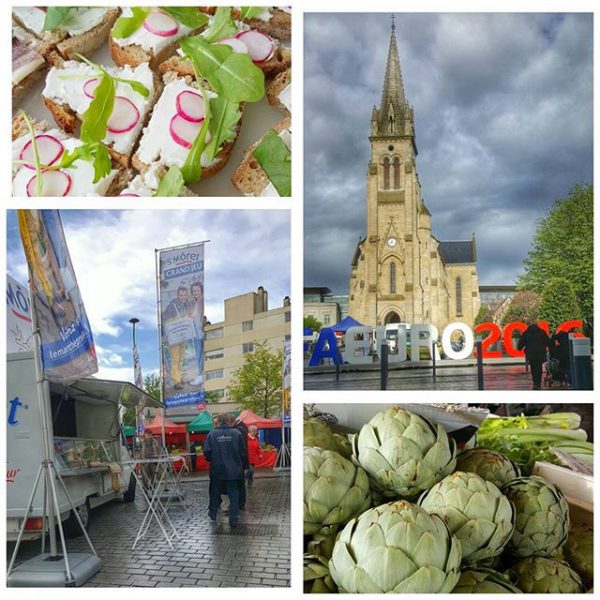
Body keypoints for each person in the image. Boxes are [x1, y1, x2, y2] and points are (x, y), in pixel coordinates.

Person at [204, 413, 247, 526]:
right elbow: (243, 453)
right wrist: (240, 464)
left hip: (217, 469)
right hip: (234, 470)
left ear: (218, 421)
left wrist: (212, 459)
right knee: (234, 494)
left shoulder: (212, 434)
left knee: (215, 492)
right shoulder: (236, 433)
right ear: (228, 420)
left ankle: (213, 514)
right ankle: (233, 518)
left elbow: (207, 452)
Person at [162, 286, 190, 390]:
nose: (182, 297)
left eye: (184, 295)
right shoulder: (172, 306)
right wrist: (166, 334)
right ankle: (176, 381)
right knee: (175, 359)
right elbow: (164, 318)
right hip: (174, 337)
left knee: (181, 358)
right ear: (178, 295)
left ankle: (179, 376)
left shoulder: (185, 305)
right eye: (180, 295)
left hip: (182, 336)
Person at [517, 322, 550, 390]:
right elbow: (548, 342)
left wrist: (521, 348)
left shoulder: (526, 333)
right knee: (539, 367)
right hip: (540, 353)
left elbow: (520, 345)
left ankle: (535, 383)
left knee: (533, 368)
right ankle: (538, 383)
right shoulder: (542, 332)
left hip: (531, 354)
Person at [188, 282, 204, 386]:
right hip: (197, 333)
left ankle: (200, 375)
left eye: (197, 290)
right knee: (199, 354)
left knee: (200, 354)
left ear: (201, 291)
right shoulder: (195, 302)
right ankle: (200, 375)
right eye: (194, 291)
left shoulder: (201, 302)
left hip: (201, 332)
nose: (196, 292)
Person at [234, 418, 250, 510]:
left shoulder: (238, 430)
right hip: (242, 463)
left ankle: (239, 504)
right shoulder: (242, 427)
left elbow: (242, 450)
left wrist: (244, 466)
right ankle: (241, 504)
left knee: (239, 484)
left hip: (239, 463)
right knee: (241, 484)